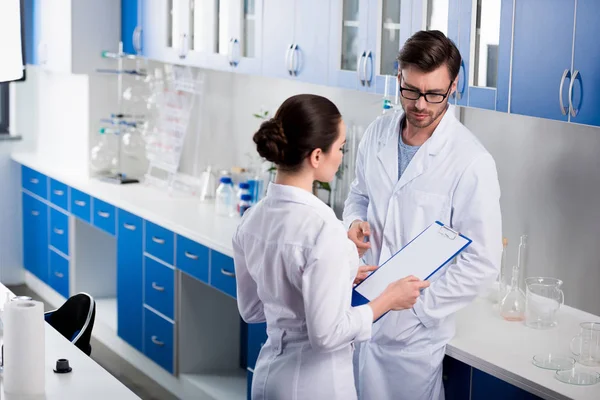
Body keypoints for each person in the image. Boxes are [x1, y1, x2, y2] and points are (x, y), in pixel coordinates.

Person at [233, 94, 430, 400]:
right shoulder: (325, 231)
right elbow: (327, 335)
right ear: (316, 156)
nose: (341, 157)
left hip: (269, 378)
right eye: (340, 148)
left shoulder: (252, 219)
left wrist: (335, 279)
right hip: (315, 385)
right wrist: (388, 299)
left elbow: (252, 309)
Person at [343, 31, 502, 400]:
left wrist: (419, 310)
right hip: (359, 315)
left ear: (453, 86)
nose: (420, 104)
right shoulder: (378, 133)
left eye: (434, 94)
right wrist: (353, 223)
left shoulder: (470, 161)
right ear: (399, 77)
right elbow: (358, 195)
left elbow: (482, 262)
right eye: (411, 90)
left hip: (412, 342)